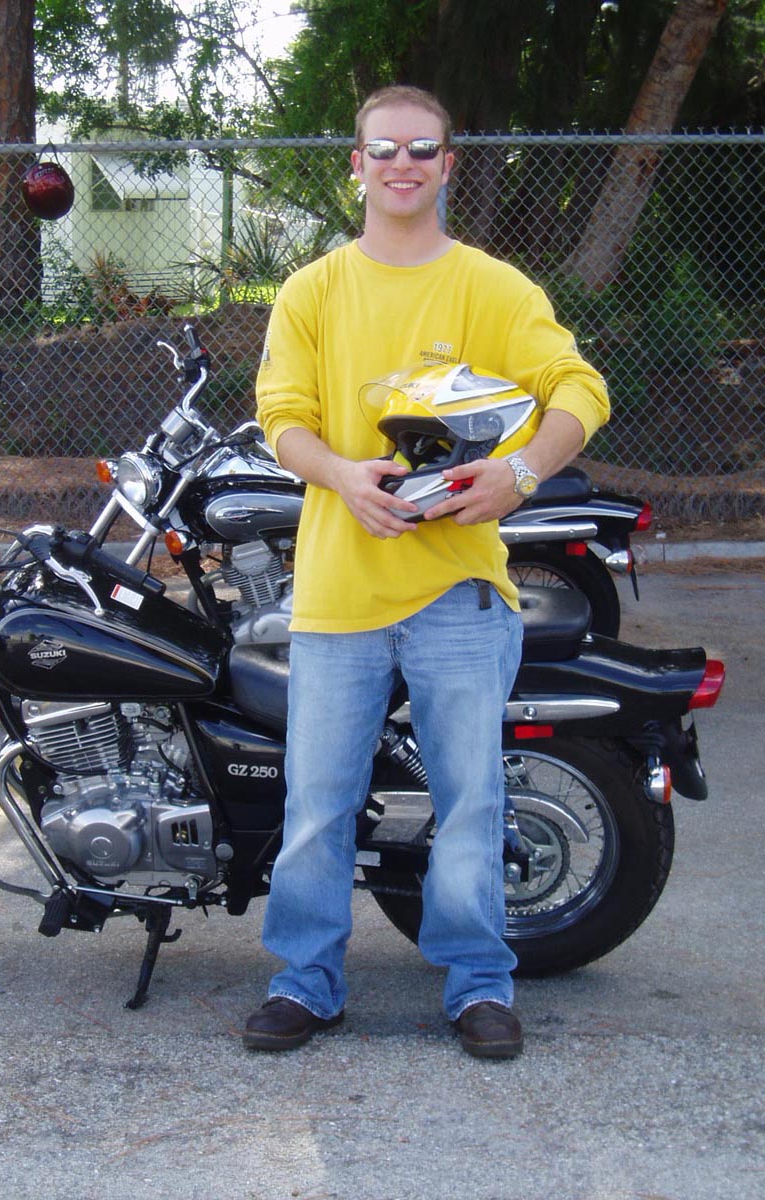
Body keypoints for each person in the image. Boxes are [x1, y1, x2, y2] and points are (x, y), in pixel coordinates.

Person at [245, 85, 609, 1059]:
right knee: (317, 806)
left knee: (471, 804)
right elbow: (282, 417)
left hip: (458, 593)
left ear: (448, 165)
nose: (401, 164)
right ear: (356, 165)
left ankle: (480, 986)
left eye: (421, 149)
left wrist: (517, 474)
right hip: (340, 593)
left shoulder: (493, 288)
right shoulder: (313, 291)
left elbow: (578, 389)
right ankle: (306, 982)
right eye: (383, 149)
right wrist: (340, 475)